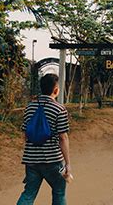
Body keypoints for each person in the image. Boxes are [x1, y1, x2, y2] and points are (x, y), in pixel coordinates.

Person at [17, 74, 71, 205]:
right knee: (59, 192)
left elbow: (25, 134)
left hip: (31, 161)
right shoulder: (59, 109)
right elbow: (62, 137)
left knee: (29, 193)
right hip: (52, 160)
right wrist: (67, 163)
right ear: (56, 90)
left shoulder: (29, 107)